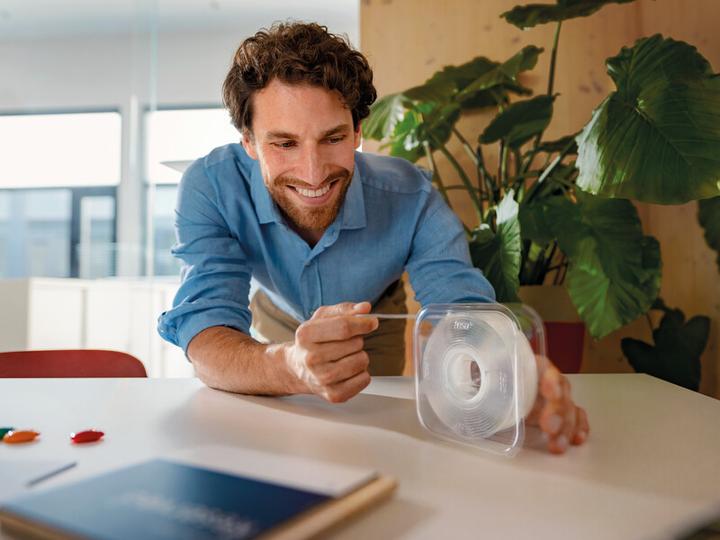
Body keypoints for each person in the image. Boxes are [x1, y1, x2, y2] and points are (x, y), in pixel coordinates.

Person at [157, 22, 589, 455]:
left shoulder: (412, 197)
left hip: (373, 321)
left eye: (333, 138)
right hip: (274, 316)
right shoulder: (211, 187)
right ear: (249, 142)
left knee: (371, 437)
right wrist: (290, 366)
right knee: (278, 443)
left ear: (358, 130)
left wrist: (510, 378)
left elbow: (461, 308)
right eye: (284, 144)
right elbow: (206, 334)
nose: (313, 173)